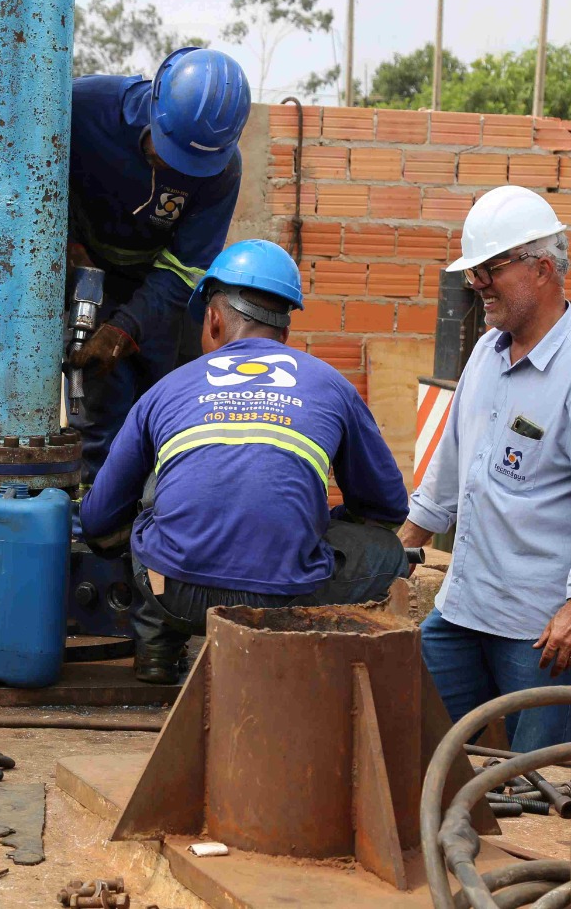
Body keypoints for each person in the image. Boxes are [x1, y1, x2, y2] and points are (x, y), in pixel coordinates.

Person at [79, 239, 411, 684]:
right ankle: (309, 652)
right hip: (286, 602)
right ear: (284, 333)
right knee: (387, 552)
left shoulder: (167, 389)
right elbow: (387, 508)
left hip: (175, 595)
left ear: (213, 318)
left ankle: (157, 642)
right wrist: (319, 525)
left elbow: (99, 518)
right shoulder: (330, 385)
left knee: (150, 505)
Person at [397, 185, 571, 752]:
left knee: (536, 782)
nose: (476, 282)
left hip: (540, 631)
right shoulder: (486, 352)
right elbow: (450, 468)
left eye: (491, 268)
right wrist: (401, 551)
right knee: (421, 747)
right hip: (462, 611)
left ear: (543, 269)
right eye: (473, 271)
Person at [67, 47, 251, 482]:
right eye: (165, 149)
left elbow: (185, 269)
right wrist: (68, 246)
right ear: (153, 104)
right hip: (82, 263)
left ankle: (161, 519)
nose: (171, 166)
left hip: (161, 284)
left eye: (189, 164)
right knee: (100, 402)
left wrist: (126, 327)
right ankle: (94, 513)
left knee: (172, 404)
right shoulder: (84, 106)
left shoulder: (222, 172)